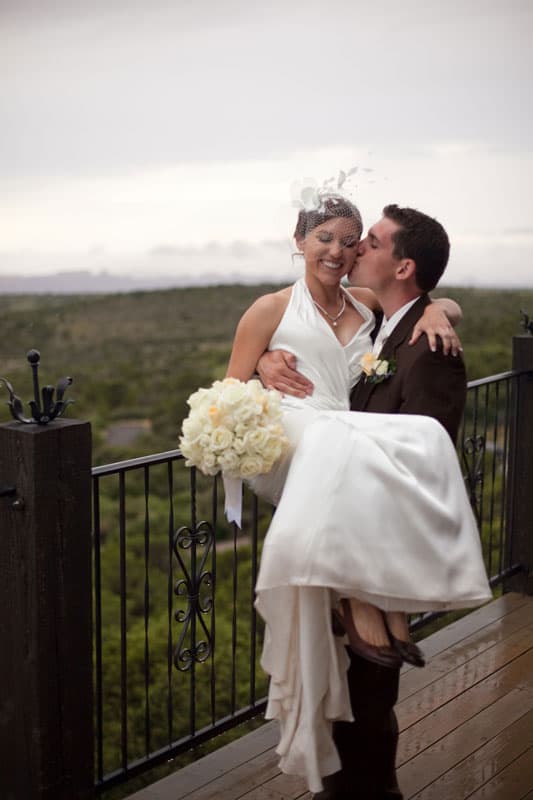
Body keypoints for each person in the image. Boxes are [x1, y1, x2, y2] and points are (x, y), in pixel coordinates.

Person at [226, 190, 491, 797]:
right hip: (314, 476)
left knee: (356, 671)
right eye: (328, 238)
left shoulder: (373, 308)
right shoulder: (270, 307)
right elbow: (230, 388)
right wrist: (265, 360)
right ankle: (344, 768)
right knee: (335, 649)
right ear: (299, 241)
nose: (343, 251)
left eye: (357, 240)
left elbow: (430, 300)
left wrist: (438, 312)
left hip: (358, 489)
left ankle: (359, 773)